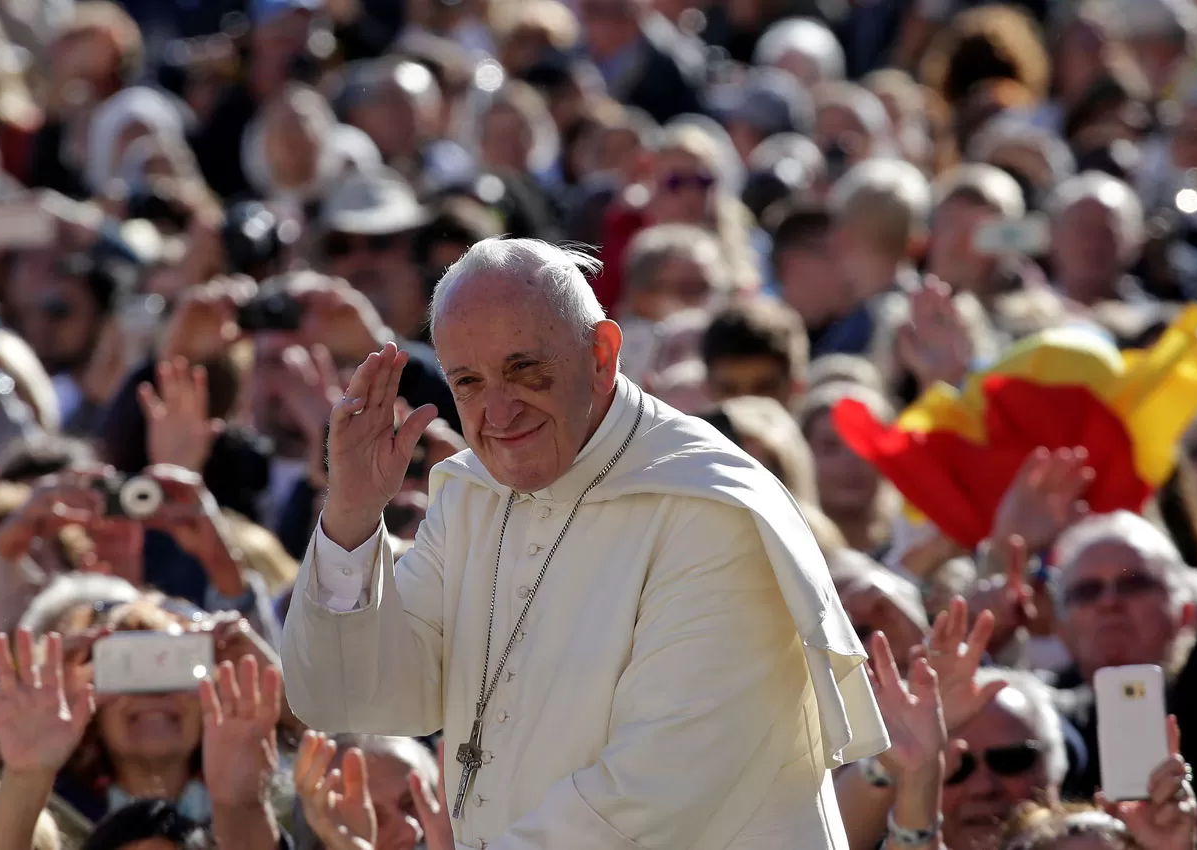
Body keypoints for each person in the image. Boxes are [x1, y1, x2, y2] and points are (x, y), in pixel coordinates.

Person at [281, 237, 884, 848]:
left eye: (524, 370)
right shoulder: (472, 495)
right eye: (468, 382)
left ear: (601, 354)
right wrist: (353, 512)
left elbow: (649, 794)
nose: (498, 411)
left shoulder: (712, 511)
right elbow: (353, 697)